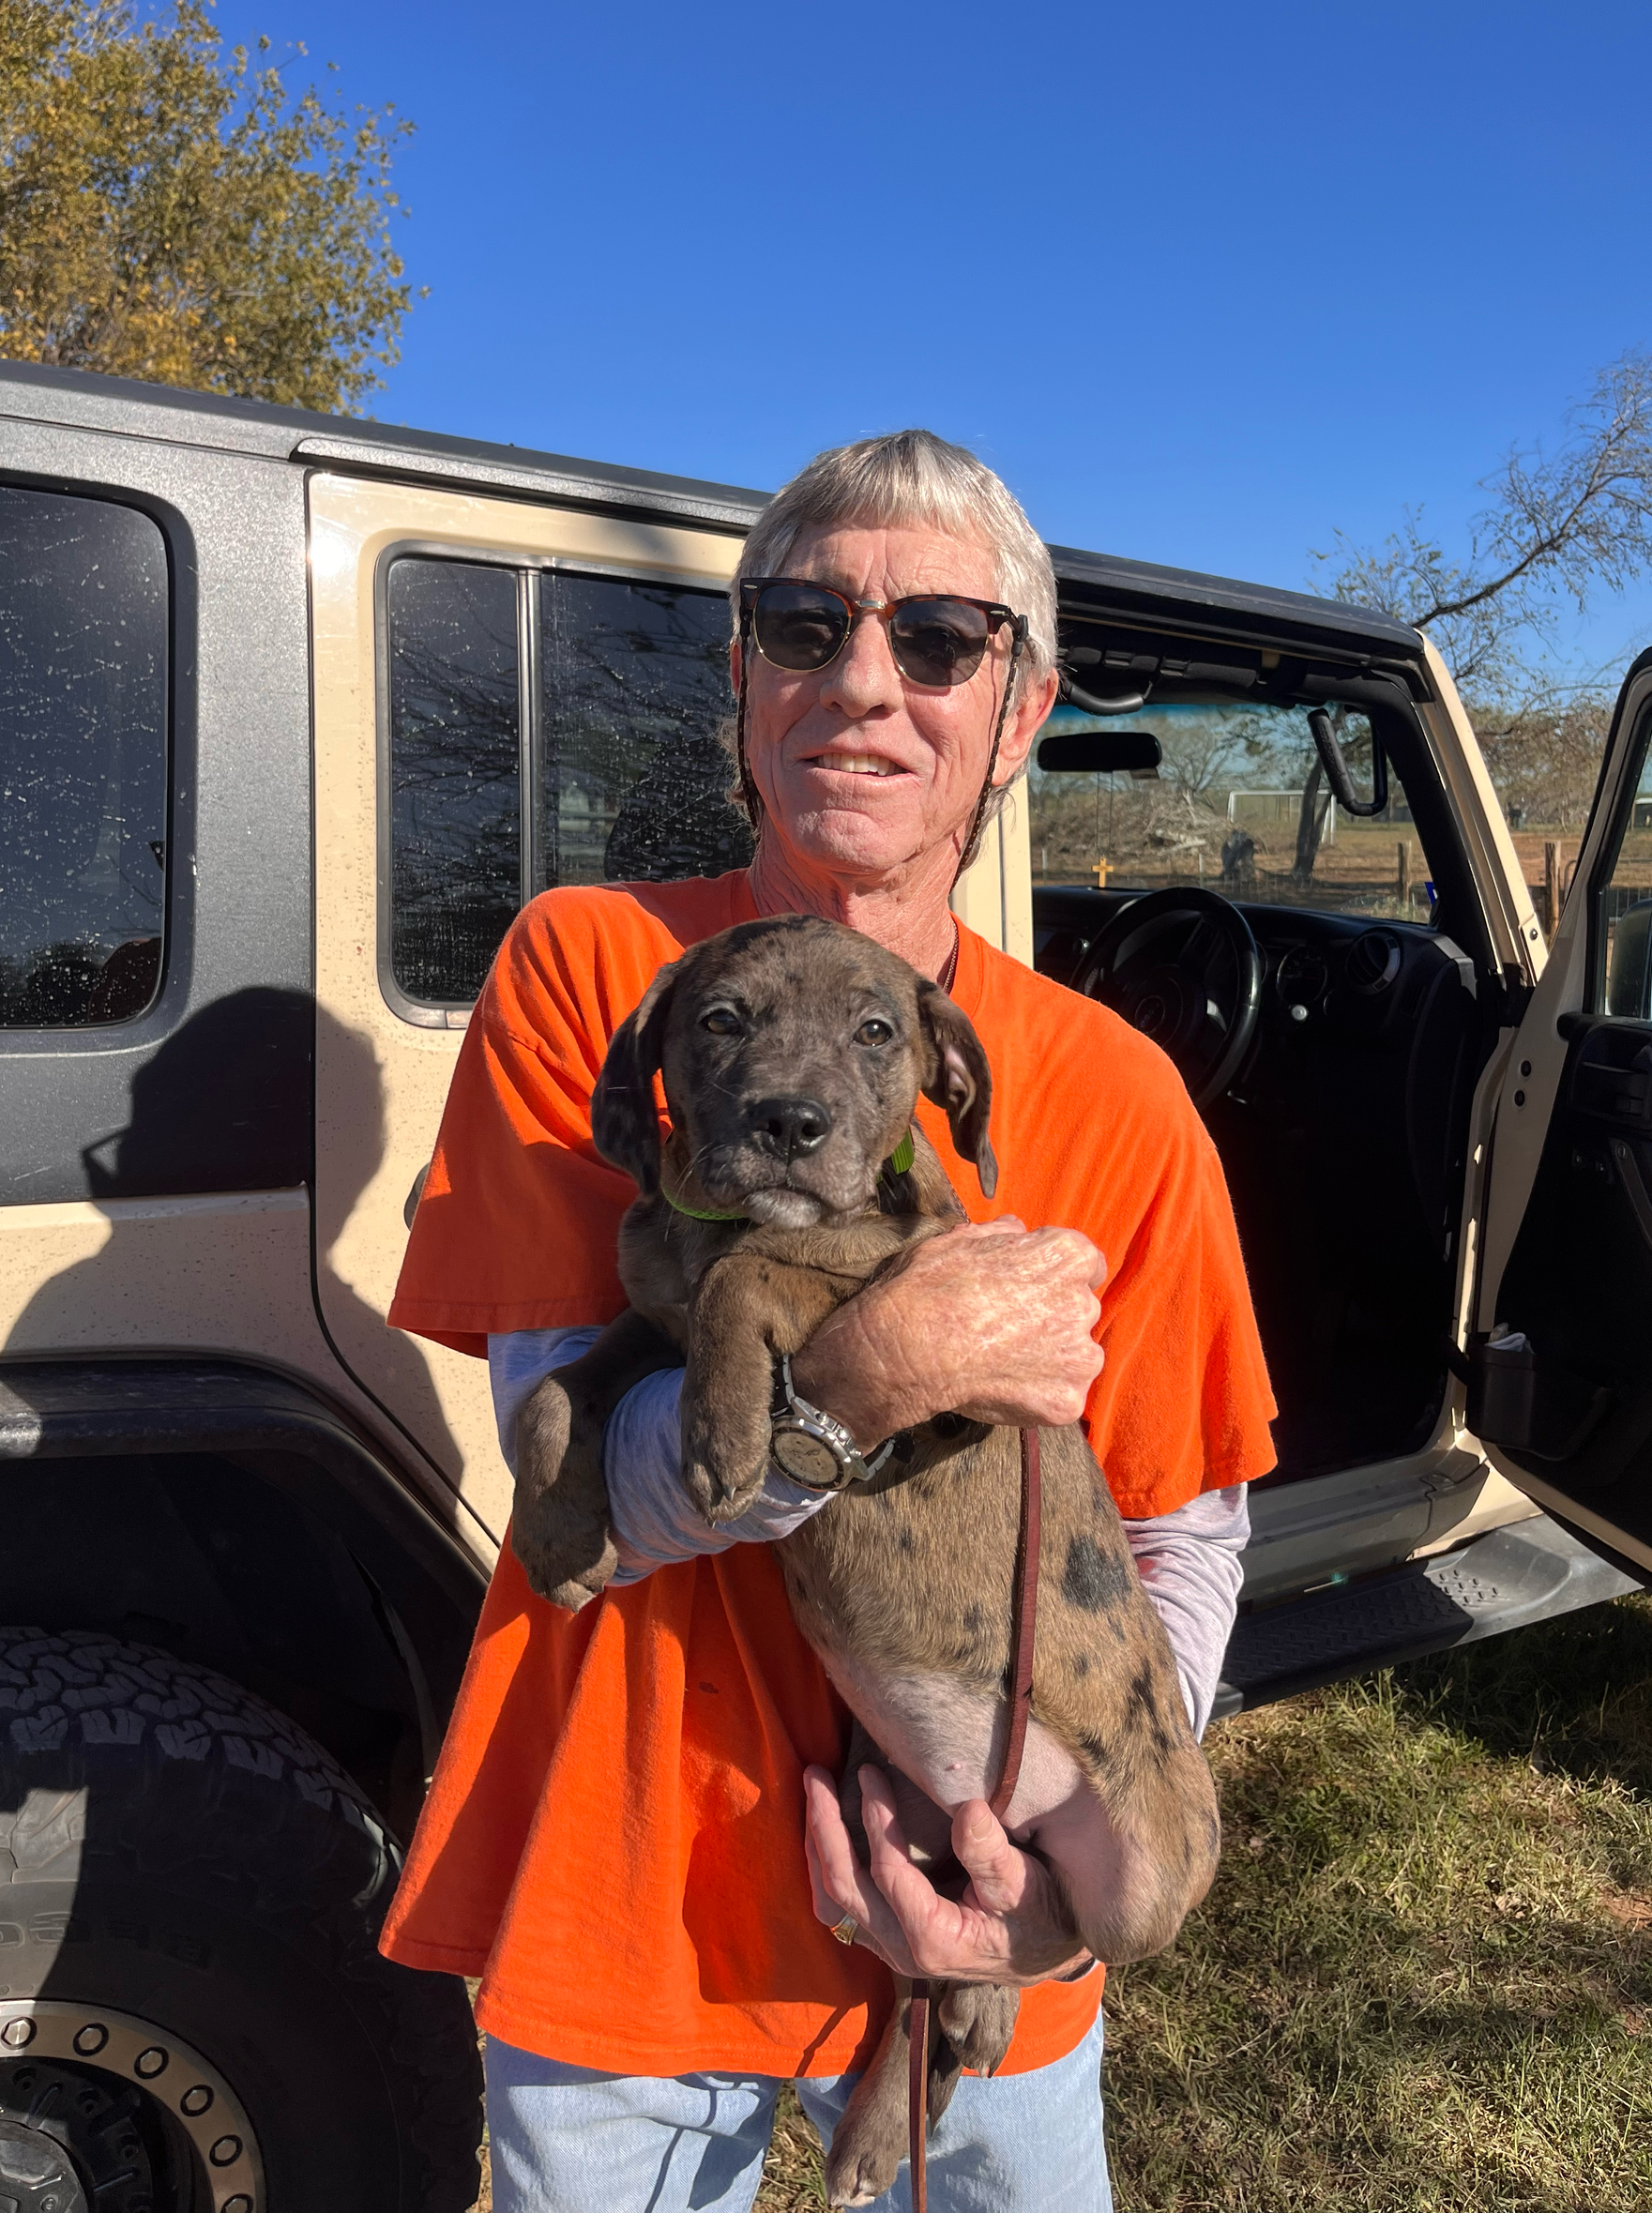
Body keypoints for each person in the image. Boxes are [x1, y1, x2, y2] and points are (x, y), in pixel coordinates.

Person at [379, 431, 1277, 2212]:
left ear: (1018, 713)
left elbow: (1181, 1534)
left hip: (988, 1930)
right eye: (806, 627)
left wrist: (1038, 1879)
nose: (863, 681)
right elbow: (577, 1478)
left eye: (938, 640)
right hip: (640, 1892)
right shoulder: (597, 967)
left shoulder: (1117, 1091)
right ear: (742, 682)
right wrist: (867, 1376)